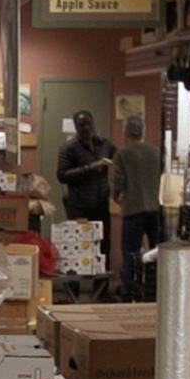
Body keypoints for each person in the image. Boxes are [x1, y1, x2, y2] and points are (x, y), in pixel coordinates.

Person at [112, 116, 166, 301]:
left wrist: (115, 197)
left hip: (133, 211)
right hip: (156, 210)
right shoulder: (157, 153)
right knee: (159, 252)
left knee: (131, 255)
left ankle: (129, 294)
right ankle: (158, 291)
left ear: (126, 133)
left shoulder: (122, 154)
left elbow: (118, 183)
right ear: (144, 132)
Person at [57, 110, 117, 268]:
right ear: (76, 127)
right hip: (79, 205)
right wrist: (90, 168)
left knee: (103, 245)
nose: (86, 127)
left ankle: (102, 290)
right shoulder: (69, 148)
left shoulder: (105, 144)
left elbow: (118, 159)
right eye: (81, 125)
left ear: (93, 123)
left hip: (101, 203)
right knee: (76, 247)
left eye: (88, 123)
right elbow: (62, 175)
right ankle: (74, 290)